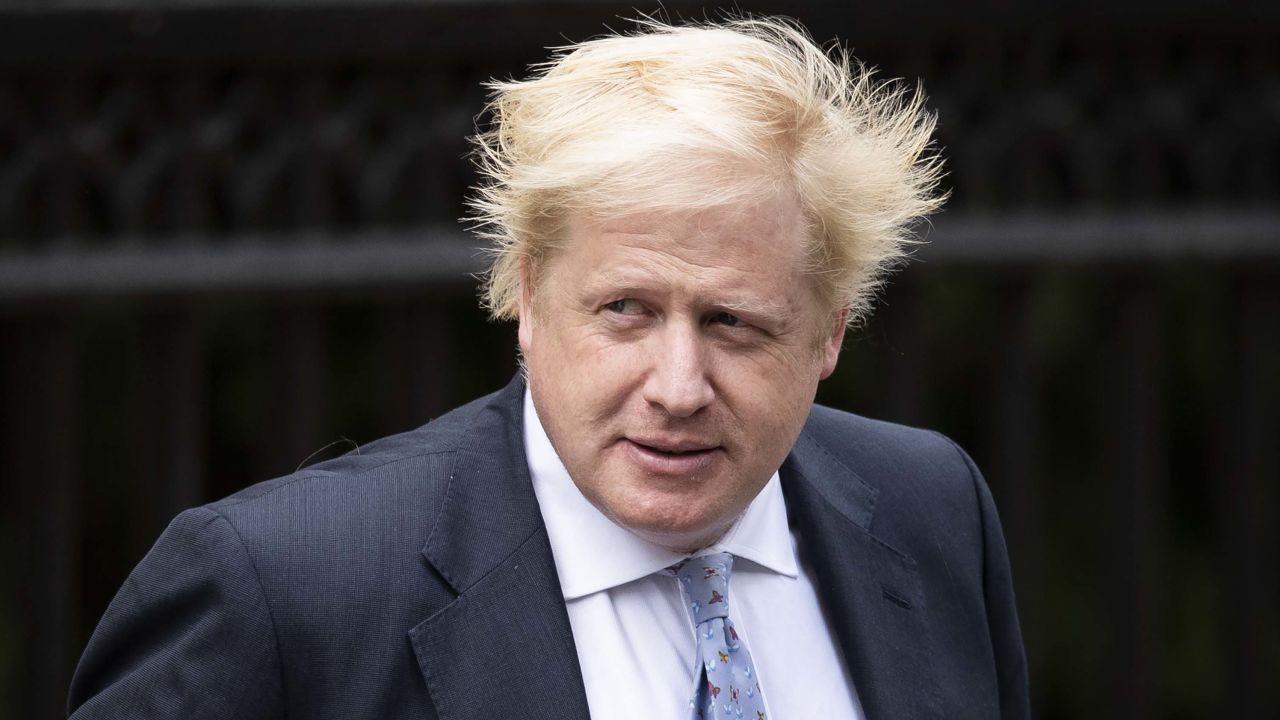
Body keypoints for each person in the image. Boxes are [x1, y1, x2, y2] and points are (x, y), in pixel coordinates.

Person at [68, 17, 1028, 720]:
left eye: (734, 324)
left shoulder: (930, 508)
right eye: (626, 310)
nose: (678, 386)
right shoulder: (283, 592)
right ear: (526, 296)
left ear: (830, 333)